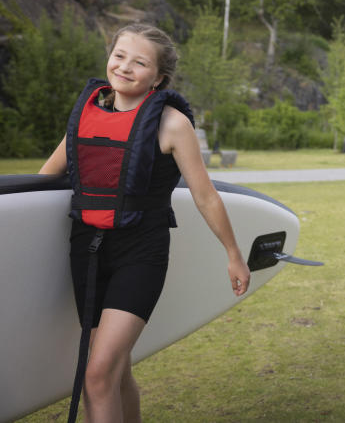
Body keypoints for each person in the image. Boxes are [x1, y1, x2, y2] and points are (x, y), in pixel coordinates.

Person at [40, 23, 251, 422]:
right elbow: (46, 176)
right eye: (119, 56)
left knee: (97, 374)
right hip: (86, 250)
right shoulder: (88, 114)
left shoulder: (172, 124)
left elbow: (205, 194)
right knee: (116, 373)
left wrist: (233, 254)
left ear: (158, 77)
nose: (124, 67)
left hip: (141, 253)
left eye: (139, 62)